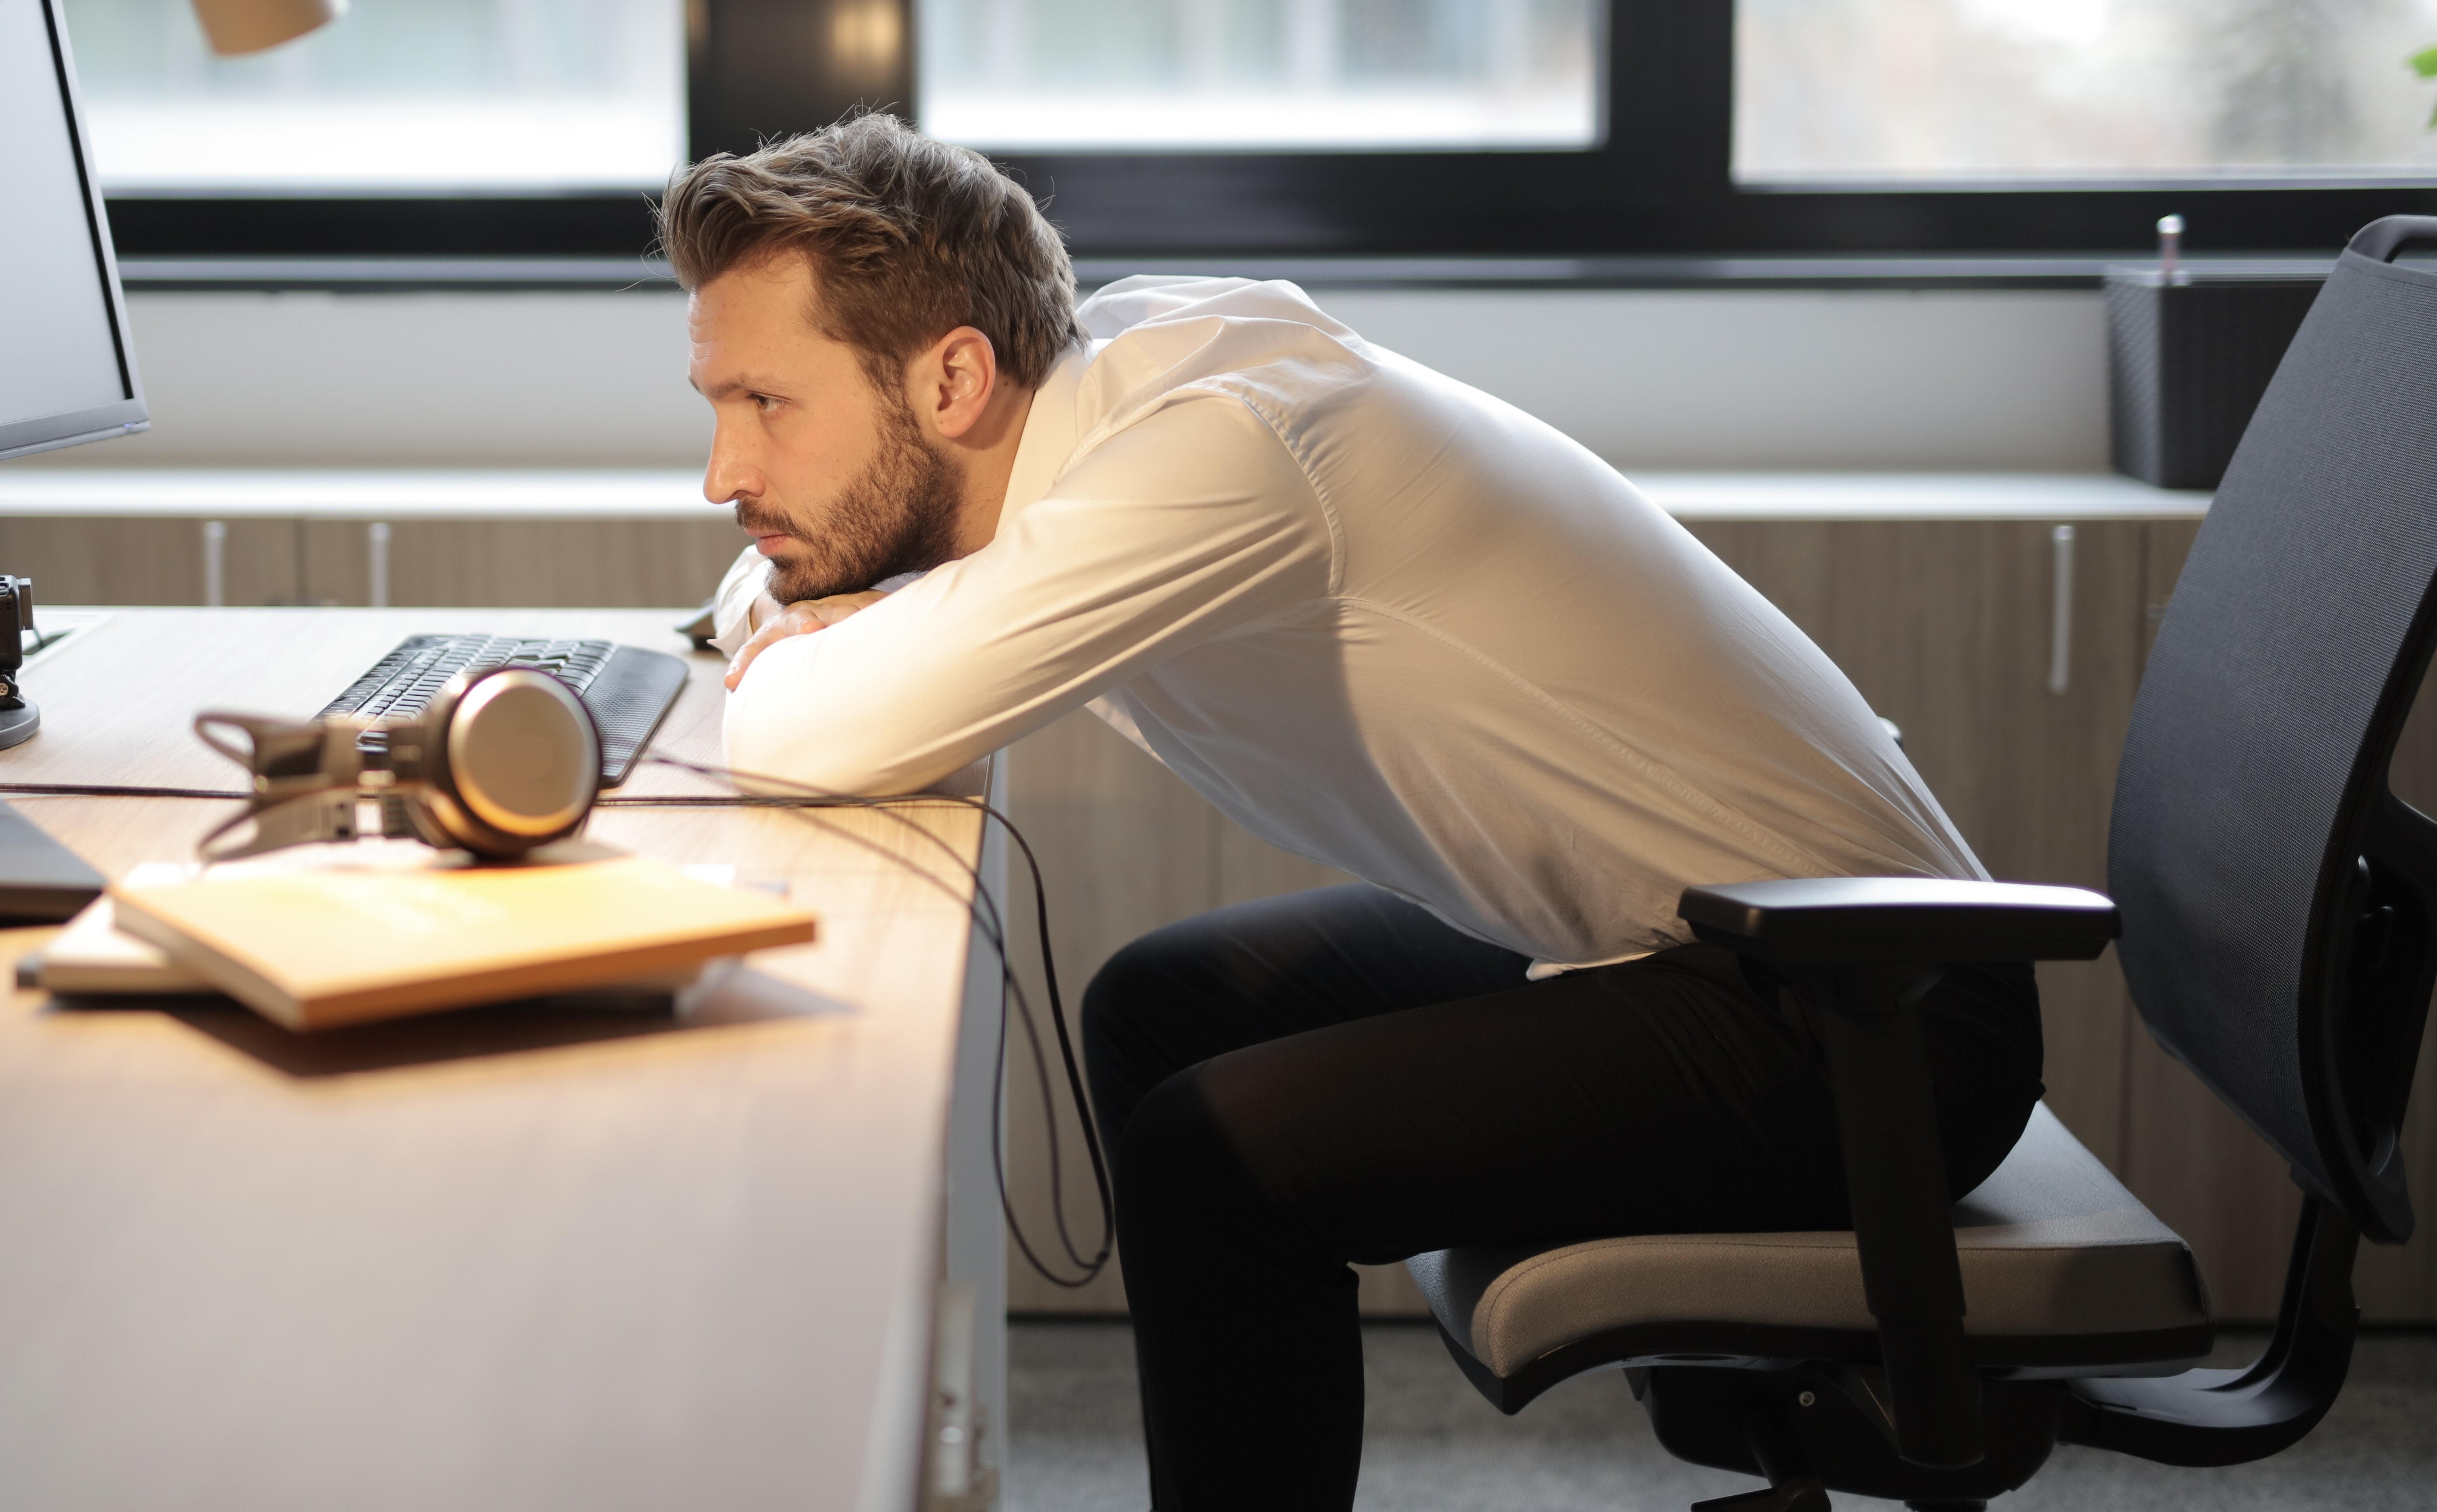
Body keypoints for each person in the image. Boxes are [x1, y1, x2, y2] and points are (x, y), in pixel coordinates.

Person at [667, 114, 2042, 1511]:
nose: (723, 474)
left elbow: (804, 731)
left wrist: (789, 631)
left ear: (955, 374)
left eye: (766, 405)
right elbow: (787, 628)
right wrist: (792, 611)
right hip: (1695, 942)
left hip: (1874, 1008)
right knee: (1164, 1004)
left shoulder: (1219, 454)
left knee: (1215, 1158)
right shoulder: (1107, 392)